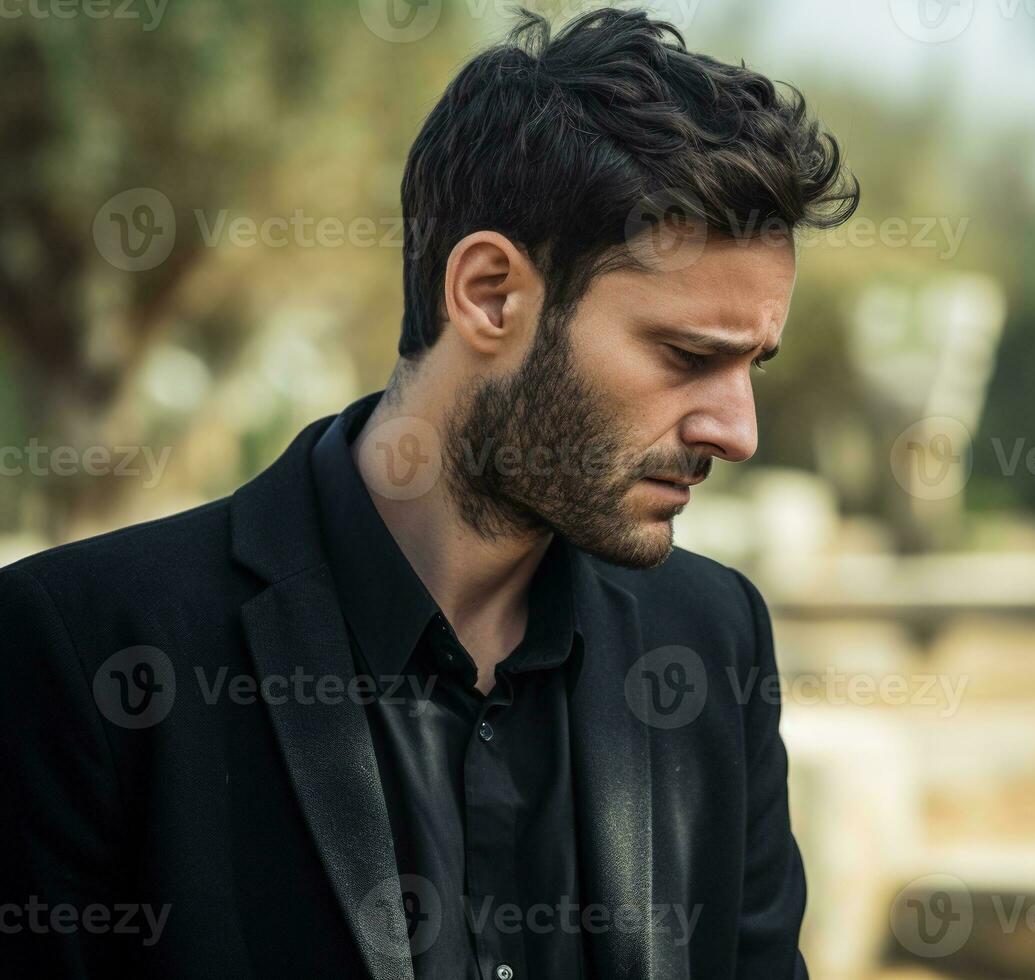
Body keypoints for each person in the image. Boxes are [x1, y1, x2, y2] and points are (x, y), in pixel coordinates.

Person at [0, 7, 858, 978]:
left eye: (754, 365)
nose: (736, 430)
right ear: (490, 293)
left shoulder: (712, 637)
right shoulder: (84, 644)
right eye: (687, 356)